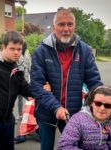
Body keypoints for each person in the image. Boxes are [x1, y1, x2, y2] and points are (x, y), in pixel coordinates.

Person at [30, 7, 103, 150]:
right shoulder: (41, 51)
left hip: (73, 112)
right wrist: (56, 106)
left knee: (74, 147)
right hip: (46, 111)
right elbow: (36, 85)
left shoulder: (84, 50)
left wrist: (102, 101)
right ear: (53, 27)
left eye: (70, 24)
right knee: (46, 147)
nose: (66, 28)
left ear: (74, 26)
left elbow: (94, 82)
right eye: (61, 24)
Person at [57, 85, 111, 150]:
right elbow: (64, 146)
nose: (102, 108)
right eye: (98, 103)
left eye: (108, 105)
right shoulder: (77, 120)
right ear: (91, 103)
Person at [16, 32, 31, 121]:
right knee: (19, 97)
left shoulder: (27, 51)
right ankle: (19, 114)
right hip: (18, 78)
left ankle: (29, 113)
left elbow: (30, 64)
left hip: (26, 78)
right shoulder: (17, 50)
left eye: (23, 37)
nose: (22, 39)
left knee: (29, 96)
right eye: (20, 37)